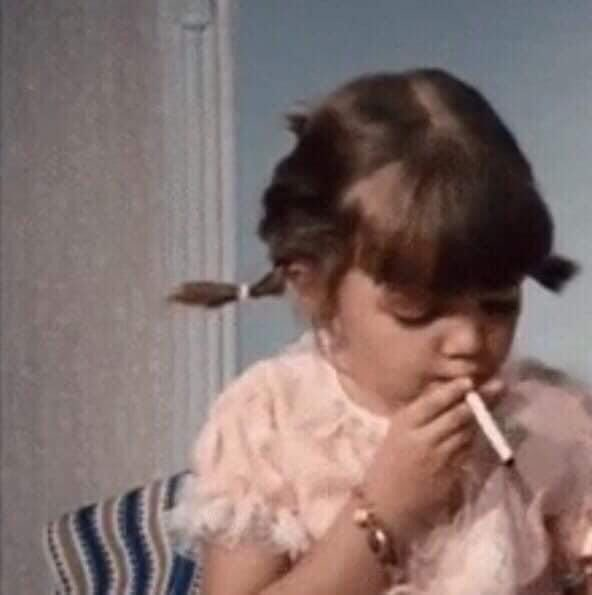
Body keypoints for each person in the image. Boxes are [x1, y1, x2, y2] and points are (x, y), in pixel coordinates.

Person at [167, 69, 592, 594]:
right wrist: (388, 511)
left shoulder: (548, 421)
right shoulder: (269, 422)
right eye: (419, 311)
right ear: (313, 284)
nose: (468, 341)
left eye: (499, 305)